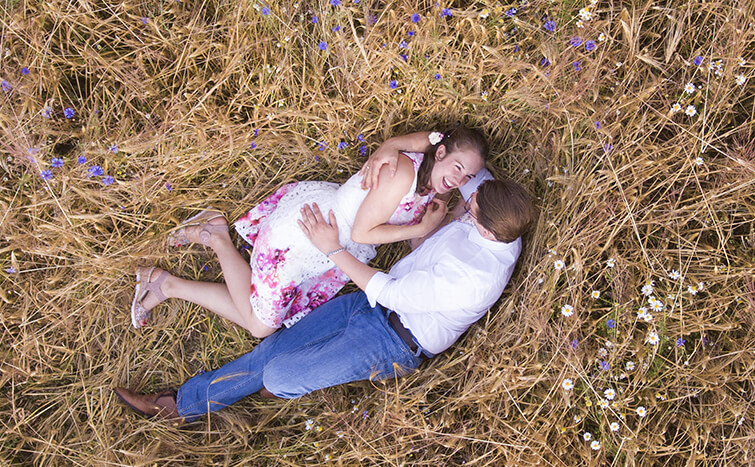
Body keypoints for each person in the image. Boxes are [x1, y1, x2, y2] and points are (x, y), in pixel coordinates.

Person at [114, 175, 537, 424]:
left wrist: (332, 248)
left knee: (278, 377)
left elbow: (388, 289)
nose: (468, 198)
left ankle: (279, 383)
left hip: (393, 342)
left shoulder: (473, 278)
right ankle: (178, 404)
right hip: (372, 305)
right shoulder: (499, 218)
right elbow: (467, 182)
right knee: (268, 352)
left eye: (471, 205)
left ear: (484, 228)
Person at [130, 127, 488, 339]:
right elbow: (363, 233)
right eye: (457, 167)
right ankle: (213, 239)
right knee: (260, 327)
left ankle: (169, 282)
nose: (458, 181)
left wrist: (438, 227)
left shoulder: (432, 183)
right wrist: (423, 226)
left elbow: (410, 234)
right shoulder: (402, 175)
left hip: (325, 243)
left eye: (467, 177)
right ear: (439, 153)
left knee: (264, 321)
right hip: (308, 235)